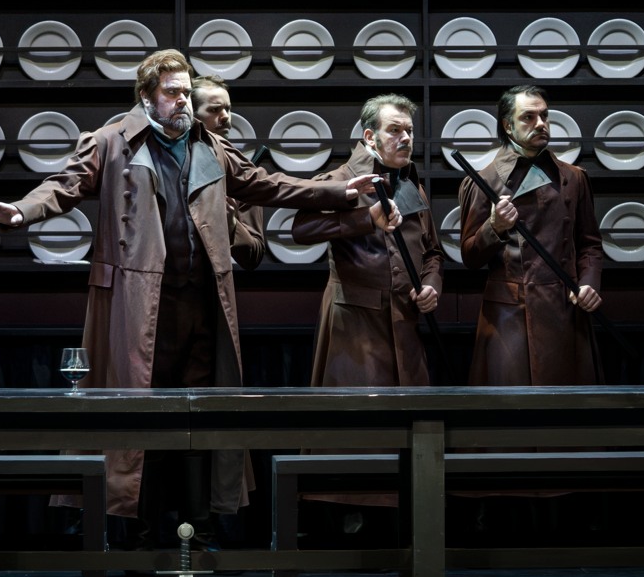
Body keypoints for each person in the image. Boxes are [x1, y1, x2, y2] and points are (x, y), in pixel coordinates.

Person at [0, 49, 379, 542]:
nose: (183, 101)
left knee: (201, 409)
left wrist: (339, 193)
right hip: (139, 303)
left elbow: (266, 185)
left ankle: (201, 524)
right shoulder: (112, 141)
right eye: (173, 92)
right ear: (147, 96)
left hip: (201, 303)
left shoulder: (209, 145)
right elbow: (64, 186)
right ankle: (147, 528)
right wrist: (20, 212)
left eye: (187, 92)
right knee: (144, 413)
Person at [457, 85, 606, 386]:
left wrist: (588, 284)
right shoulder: (484, 180)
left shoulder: (573, 177)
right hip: (510, 317)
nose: (540, 123)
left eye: (544, 116)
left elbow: (589, 244)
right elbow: (470, 256)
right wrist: (494, 227)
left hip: (566, 309)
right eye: (528, 117)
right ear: (507, 125)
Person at [294, 93, 442, 389]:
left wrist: (431, 285)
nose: (405, 138)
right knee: (357, 423)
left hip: (405, 325)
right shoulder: (341, 180)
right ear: (369, 136)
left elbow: (433, 252)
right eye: (395, 130)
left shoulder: (411, 185)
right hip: (354, 328)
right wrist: (364, 219)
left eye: (409, 131)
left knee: (410, 422)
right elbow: (302, 230)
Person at [191, 75, 267, 271]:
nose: (225, 116)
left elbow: (254, 256)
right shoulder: (169, 165)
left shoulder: (245, 174)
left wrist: (230, 222)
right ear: (191, 115)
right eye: (215, 110)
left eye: (228, 109)